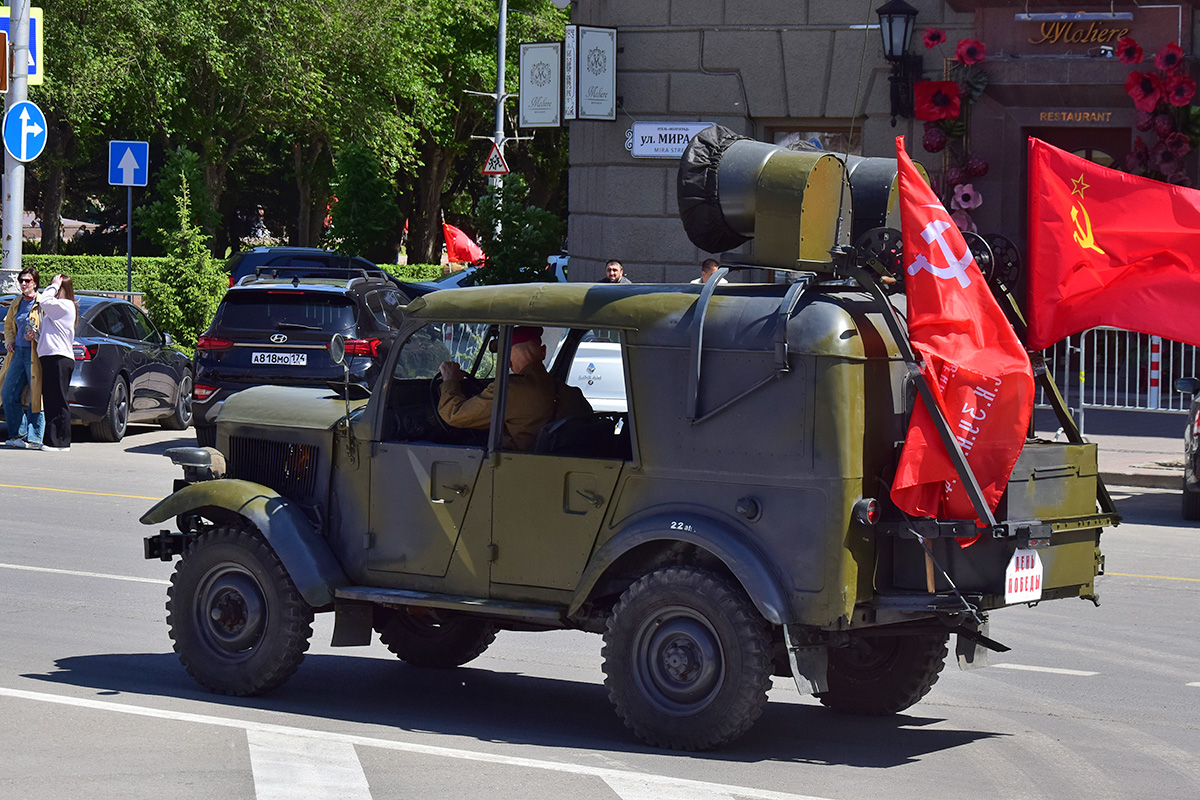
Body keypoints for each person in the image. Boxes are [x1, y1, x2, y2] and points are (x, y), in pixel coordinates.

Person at [438, 326, 591, 451]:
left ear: (507, 360)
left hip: (514, 469)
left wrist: (450, 381)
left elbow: (454, 414)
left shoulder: (510, 390)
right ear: (543, 352)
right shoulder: (572, 394)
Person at [1, 267, 46, 449]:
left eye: (27, 281)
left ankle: (35, 438)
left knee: (36, 395)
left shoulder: (42, 303)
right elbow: (9, 325)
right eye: (21, 281)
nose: (23, 284)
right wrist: (9, 341)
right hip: (17, 353)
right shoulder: (17, 302)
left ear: (35, 282)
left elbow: (49, 328)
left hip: (36, 354)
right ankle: (18, 433)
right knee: (7, 391)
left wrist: (36, 336)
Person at [36, 273, 77, 451]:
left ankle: (61, 441)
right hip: (51, 356)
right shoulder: (58, 309)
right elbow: (51, 335)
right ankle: (52, 439)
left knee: (59, 399)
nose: (52, 289)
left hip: (60, 357)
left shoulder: (66, 305)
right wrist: (36, 337)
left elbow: (43, 300)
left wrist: (53, 285)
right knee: (51, 399)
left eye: (57, 287)